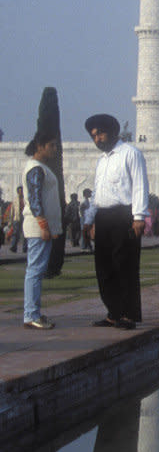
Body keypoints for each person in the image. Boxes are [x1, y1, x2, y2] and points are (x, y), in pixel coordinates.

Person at [82, 114, 150, 330]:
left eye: (100, 134)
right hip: (103, 217)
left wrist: (139, 216)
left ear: (112, 132)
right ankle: (113, 312)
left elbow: (140, 185)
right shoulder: (103, 161)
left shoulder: (130, 154)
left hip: (124, 216)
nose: (97, 139)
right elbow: (96, 195)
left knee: (125, 265)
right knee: (104, 267)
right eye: (94, 136)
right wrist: (89, 219)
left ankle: (129, 315)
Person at [22, 131, 63, 330]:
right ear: (40, 146)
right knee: (35, 271)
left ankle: (33, 312)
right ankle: (31, 314)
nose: (55, 149)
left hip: (41, 226)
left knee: (36, 270)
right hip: (38, 227)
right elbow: (35, 199)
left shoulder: (41, 168)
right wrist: (44, 226)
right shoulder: (35, 168)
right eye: (52, 145)